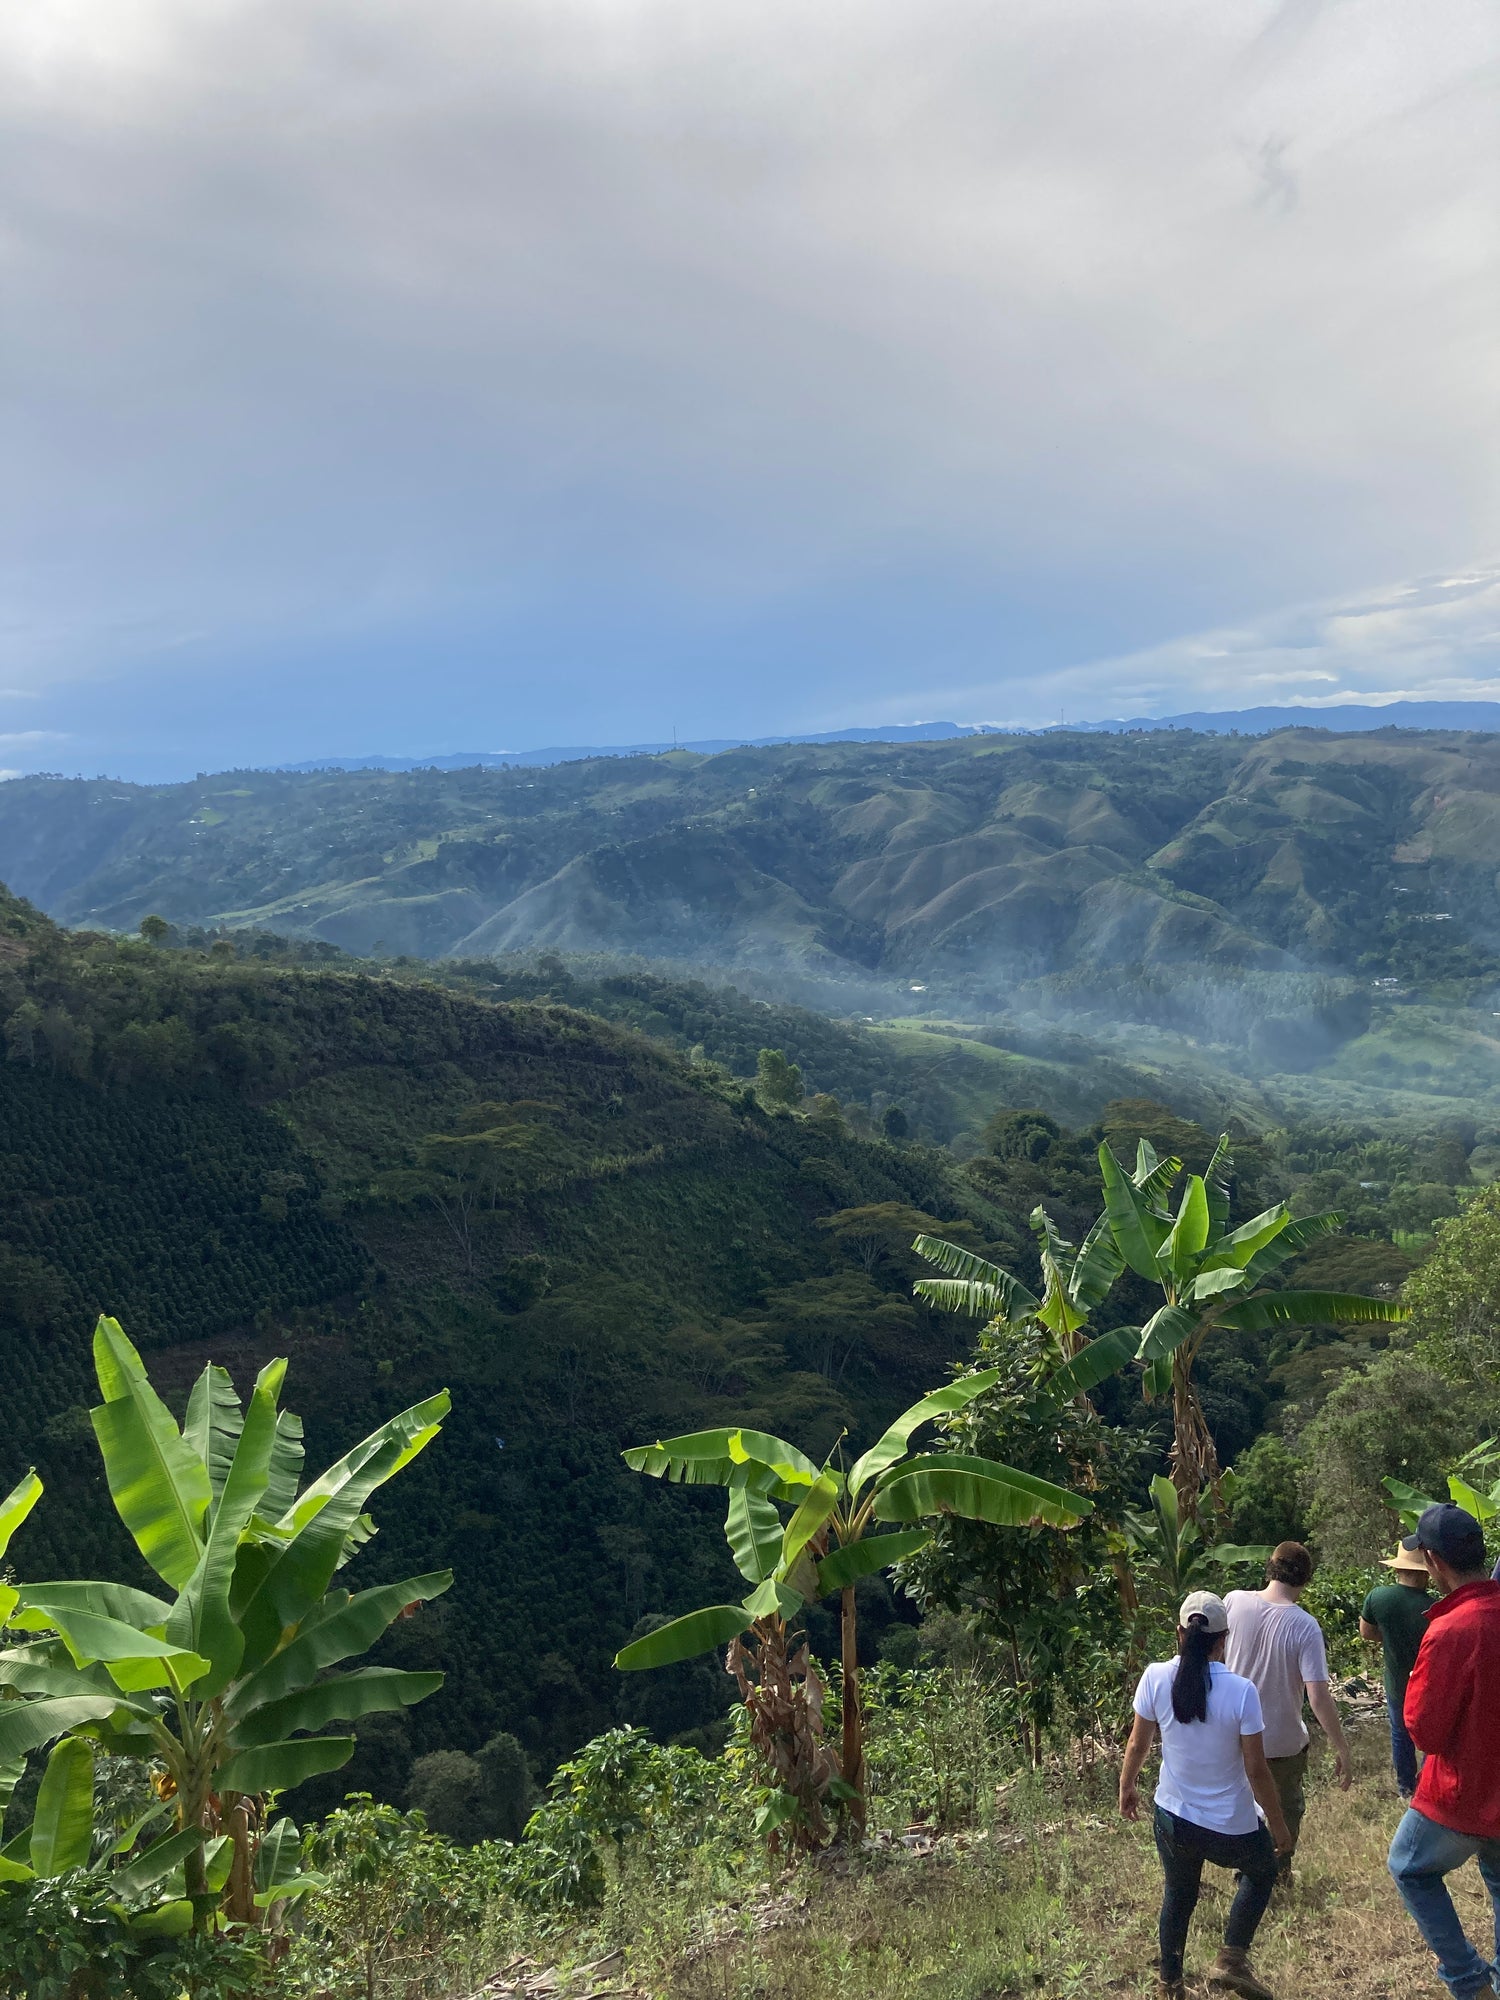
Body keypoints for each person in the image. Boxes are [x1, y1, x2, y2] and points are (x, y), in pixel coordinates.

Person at [1120, 1589, 1292, 2000]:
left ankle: (1170, 1984)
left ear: (1179, 1632)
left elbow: (1138, 1745)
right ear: (1223, 1639)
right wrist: (1280, 1825)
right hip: (1230, 1825)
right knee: (1263, 1868)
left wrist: (1127, 1787)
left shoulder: (1155, 1677)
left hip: (1173, 1818)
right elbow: (1256, 1769)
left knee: (1179, 1893)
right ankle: (1231, 1960)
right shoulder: (1241, 1691)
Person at [1388, 1502, 1500, 2000]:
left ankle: (1467, 1977)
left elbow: (1425, 1733)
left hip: (1464, 1793)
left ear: (1433, 1561)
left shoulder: (1452, 1629)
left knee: (1408, 1867)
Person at [1224, 1540, 1352, 1873]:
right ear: (1306, 1580)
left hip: (1234, 1736)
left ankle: (1246, 1870)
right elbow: (1318, 1697)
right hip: (1281, 1741)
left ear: (1270, 1567)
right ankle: (1276, 1872)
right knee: (1286, 1808)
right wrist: (1342, 1747)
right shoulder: (1305, 1626)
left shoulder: (1234, 1602)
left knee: (1245, 1807)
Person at [1360, 1542, 1431, 1800]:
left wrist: (1391, 1639)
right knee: (1429, 1738)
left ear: (1398, 1568)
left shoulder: (1378, 1597)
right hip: (1427, 1685)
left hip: (1396, 1683)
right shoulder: (1434, 1607)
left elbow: (1366, 1632)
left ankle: (1405, 1789)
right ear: (1425, 1571)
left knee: (1400, 1734)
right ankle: (1426, 1787)